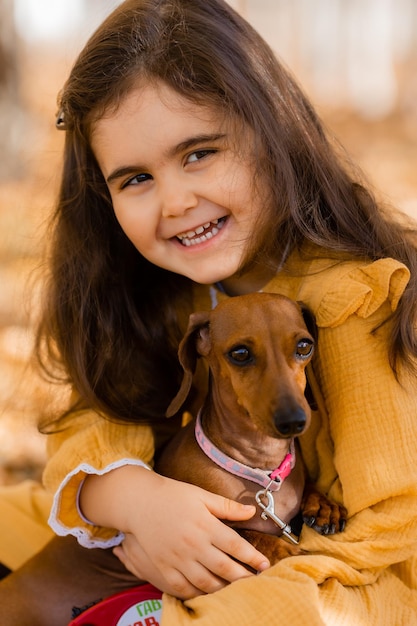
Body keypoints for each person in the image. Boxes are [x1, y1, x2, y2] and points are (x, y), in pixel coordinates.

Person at [1, 0, 417, 624]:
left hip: (337, 568)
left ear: (272, 132)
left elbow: (392, 526)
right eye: (135, 179)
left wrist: (236, 560)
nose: (175, 201)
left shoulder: (352, 298)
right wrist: (137, 503)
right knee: (15, 513)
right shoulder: (157, 292)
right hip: (178, 518)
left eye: (198, 153)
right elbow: (92, 427)